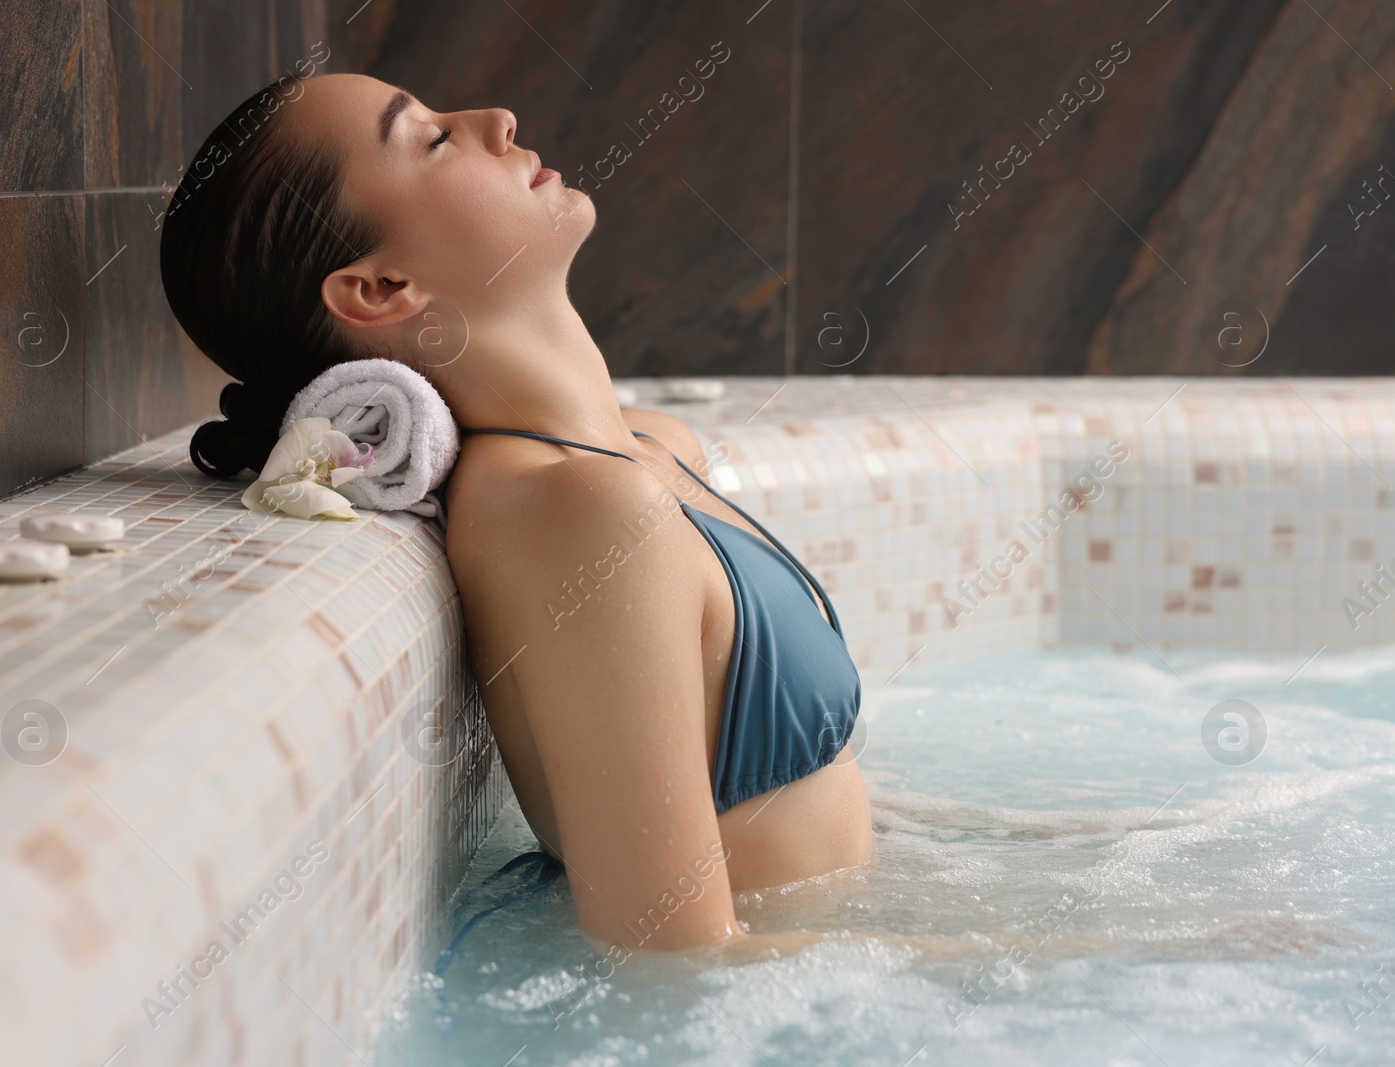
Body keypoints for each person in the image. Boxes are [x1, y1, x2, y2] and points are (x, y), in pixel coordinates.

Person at [159, 73, 872, 957]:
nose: (497, 120)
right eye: (429, 139)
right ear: (380, 288)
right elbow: (673, 956)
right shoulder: (580, 512)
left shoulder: (648, 450)